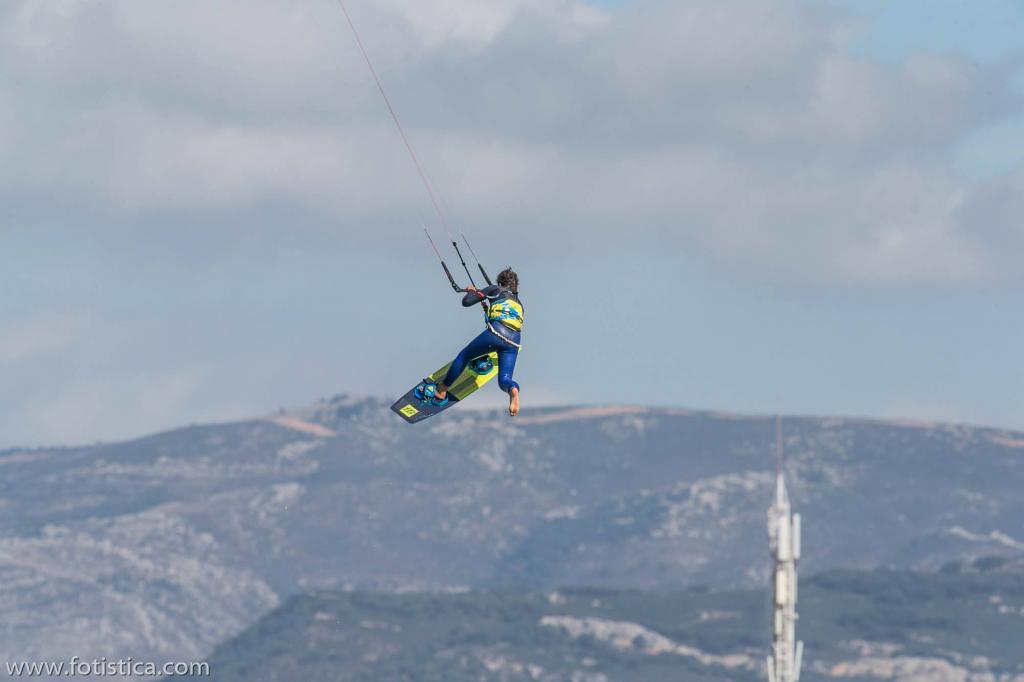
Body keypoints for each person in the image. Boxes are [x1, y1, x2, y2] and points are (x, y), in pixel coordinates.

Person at [433, 267, 523, 416]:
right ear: (515, 287)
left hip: (497, 332)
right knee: (504, 379)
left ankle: (442, 390)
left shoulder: (494, 289)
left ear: (499, 282)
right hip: (514, 341)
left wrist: (471, 292)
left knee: (465, 355)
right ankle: (513, 390)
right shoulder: (518, 302)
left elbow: (467, 302)